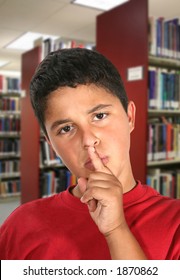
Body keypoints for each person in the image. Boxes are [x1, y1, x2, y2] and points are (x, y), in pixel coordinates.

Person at [0, 48, 179, 260]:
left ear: (130, 117)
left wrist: (116, 230)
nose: (88, 141)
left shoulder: (175, 223)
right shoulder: (20, 225)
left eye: (100, 115)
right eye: (66, 128)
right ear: (50, 144)